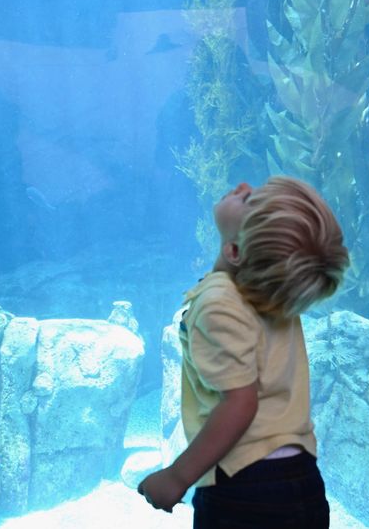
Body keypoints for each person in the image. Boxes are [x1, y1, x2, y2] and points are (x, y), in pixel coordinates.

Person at [138, 176, 350, 527]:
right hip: (302, 482)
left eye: (248, 199)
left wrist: (177, 477)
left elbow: (240, 403)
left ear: (234, 251)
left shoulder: (218, 303)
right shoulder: (275, 294)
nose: (241, 185)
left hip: (245, 488)